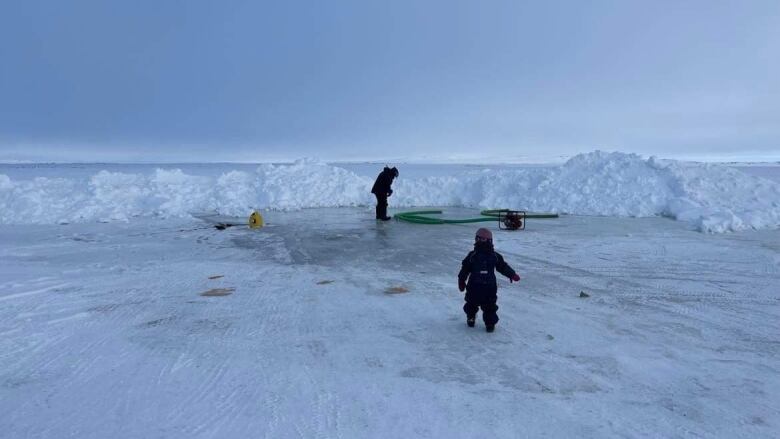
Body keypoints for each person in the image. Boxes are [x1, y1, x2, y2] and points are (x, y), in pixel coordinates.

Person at [457, 228, 520, 332]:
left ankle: (490, 323)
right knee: (471, 303)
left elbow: (502, 266)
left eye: (484, 240)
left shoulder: (494, 256)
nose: (482, 242)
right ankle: (471, 317)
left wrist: (512, 274)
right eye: (480, 239)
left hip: (489, 287)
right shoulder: (472, 255)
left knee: (490, 306)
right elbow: (465, 269)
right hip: (474, 286)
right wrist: (461, 280)